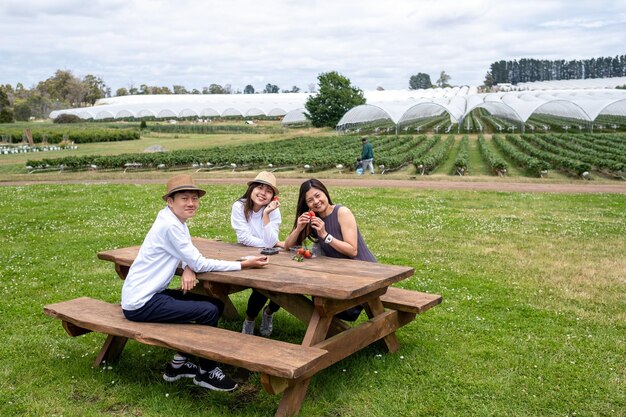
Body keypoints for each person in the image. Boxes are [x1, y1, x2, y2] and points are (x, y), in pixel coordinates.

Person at [121, 174, 268, 392]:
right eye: (184, 198)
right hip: (141, 303)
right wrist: (243, 265)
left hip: (148, 294)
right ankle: (206, 372)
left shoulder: (173, 220)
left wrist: (189, 266)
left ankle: (179, 364)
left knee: (216, 304)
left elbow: (188, 255)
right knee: (208, 311)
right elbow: (199, 261)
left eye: (194, 198)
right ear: (170, 201)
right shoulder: (170, 225)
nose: (191, 203)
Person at [284, 178, 376, 321]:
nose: (315, 201)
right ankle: (328, 328)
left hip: (363, 270)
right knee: (317, 295)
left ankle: (331, 329)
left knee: (329, 304)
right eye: (310, 200)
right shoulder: (314, 218)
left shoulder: (342, 212)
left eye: (317, 195)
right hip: (339, 271)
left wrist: (325, 235)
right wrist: (299, 228)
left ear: (325, 193)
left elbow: (352, 251)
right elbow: (288, 246)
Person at [231, 171, 282, 336]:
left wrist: (267, 214)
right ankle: (250, 319)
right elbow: (244, 238)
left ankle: (269, 312)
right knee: (260, 288)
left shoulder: (273, 210)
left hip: (270, 255)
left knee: (282, 286)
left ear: (272, 196)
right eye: (260, 188)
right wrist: (269, 244)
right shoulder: (239, 206)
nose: (263, 193)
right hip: (245, 254)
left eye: (268, 191)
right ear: (251, 189)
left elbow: (272, 239)